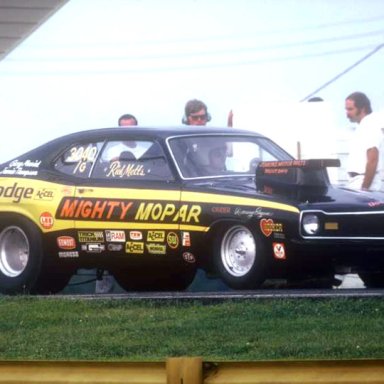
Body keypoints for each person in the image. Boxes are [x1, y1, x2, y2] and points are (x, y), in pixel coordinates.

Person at [345, 92, 384, 192]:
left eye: (350, 109)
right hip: (357, 182)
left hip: (364, 182)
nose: (347, 113)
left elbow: (373, 159)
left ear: (362, 109)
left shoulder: (369, 125)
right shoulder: (363, 126)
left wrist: (364, 189)